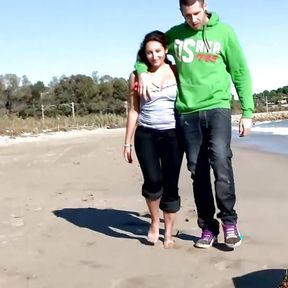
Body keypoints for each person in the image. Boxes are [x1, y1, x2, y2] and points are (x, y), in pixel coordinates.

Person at [135, 0, 254, 249]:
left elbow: (240, 71)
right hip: (187, 113)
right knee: (196, 171)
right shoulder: (175, 35)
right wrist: (142, 71)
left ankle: (229, 222)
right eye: (188, 15)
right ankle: (207, 227)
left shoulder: (224, 32)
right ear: (181, 12)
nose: (194, 19)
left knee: (221, 161)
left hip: (217, 108)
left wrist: (247, 111)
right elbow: (147, 51)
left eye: (197, 13)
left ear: (205, 6)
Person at [124, 30, 183, 248]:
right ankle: (155, 222)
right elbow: (133, 110)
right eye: (149, 52)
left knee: (171, 184)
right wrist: (127, 142)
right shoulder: (137, 76)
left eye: (158, 51)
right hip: (145, 135)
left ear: (166, 50)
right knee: (153, 181)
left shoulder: (176, 71)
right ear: (144, 54)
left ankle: (168, 232)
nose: (154, 56)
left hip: (173, 135)